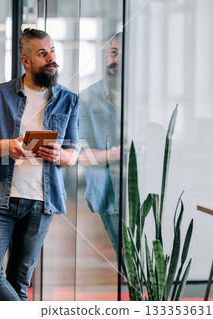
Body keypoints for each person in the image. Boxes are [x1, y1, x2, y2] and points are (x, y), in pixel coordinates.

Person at [0, 28, 79, 301]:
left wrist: (60, 156)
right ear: (26, 61)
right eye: (42, 53)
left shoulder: (69, 100)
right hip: (0, 200)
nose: (51, 58)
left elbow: (74, 154)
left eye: (52, 51)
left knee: (19, 283)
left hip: (41, 203)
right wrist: (8, 146)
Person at [78, 33, 123, 253]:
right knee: (128, 263)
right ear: (106, 56)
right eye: (114, 53)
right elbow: (83, 156)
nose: (118, 59)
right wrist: (117, 154)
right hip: (109, 195)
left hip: (145, 192)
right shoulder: (87, 98)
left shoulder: (141, 97)